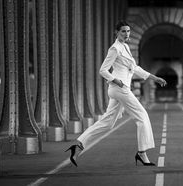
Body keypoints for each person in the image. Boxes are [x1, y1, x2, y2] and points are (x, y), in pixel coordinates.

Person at [65, 20, 167, 167]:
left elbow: (135, 68)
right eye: (123, 31)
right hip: (120, 88)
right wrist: (116, 80)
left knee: (108, 122)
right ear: (116, 33)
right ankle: (142, 153)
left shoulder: (125, 47)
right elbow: (103, 70)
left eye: (128, 31)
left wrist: (154, 77)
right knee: (142, 117)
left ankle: (79, 145)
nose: (126, 34)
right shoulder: (115, 49)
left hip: (118, 90)